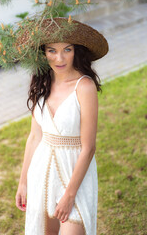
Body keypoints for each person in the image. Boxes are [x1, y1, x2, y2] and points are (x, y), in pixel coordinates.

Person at [15, 17, 108, 235]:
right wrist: (23, 182)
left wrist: (69, 195)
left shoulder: (84, 87)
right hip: (42, 172)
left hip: (74, 172)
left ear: (77, 51)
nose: (59, 58)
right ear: (43, 53)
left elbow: (89, 148)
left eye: (67, 49)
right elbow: (35, 137)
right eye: (51, 50)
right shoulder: (42, 83)